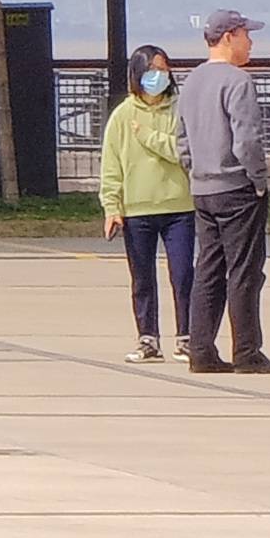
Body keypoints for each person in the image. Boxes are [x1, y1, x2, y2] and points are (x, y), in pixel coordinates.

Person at [176, 10, 270, 374]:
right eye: (245, 35)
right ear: (228, 37)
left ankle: (201, 349)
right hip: (237, 187)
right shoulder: (237, 81)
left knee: (208, 268)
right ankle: (247, 350)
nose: (251, 42)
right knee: (244, 271)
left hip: (203, 187)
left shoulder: (191, 81)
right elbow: (247, 139)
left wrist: (195, 169)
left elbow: (181, 139)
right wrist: (258, 179)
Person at [97, 42, 197, 361]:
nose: (159, 75)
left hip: (179, 207)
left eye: (164, 68)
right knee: (142, 277)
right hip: (137, 209)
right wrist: (112, 207)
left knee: (183, 274)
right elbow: (111, 166)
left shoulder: (182, 109)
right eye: (153, 69)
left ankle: (187, 336)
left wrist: (149, 138)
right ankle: (147, 338)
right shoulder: (123, 116)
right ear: (138, 73)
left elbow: (184, 152)